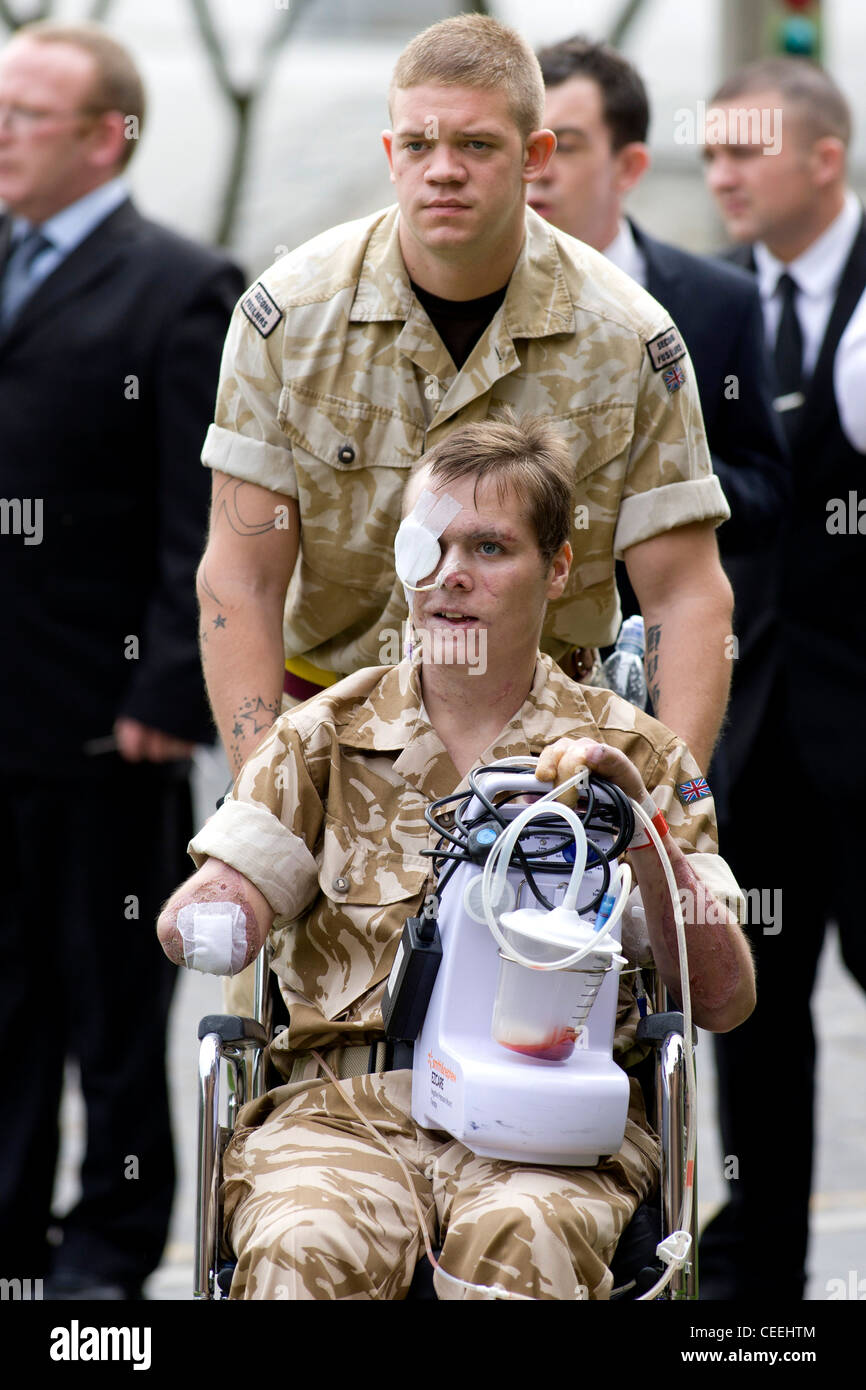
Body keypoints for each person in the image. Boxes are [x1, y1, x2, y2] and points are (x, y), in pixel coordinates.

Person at [158, 414, 755, 1301]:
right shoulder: (323, 737)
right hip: (342, 1117)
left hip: (546, 1124)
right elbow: (221, 897)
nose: (451, 576)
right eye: (427, 546)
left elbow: (725, 998)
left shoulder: (635, 754)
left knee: (528, 1242)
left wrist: (638, 829)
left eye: (489, 546)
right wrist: (214, 911)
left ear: (557, 569)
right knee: (303, 1245)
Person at [198, 12, 735, 792]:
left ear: (535, 157)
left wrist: (663, 808)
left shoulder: (627, 337)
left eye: (476, 145)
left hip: (553, 768)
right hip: (332, 750)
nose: (442, 169)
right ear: (391, 155)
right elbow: (240, 577)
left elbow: (685, 593)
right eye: (418, 145)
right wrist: (263, 794)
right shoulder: (287, 319)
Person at [0, 21, 244, 1298]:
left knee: (108, 1015)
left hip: (105, 724)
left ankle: (104, 1262)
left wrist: (169, 690)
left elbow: (198, 517)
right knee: (5, 1011)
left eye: (26, 113)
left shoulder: (181, 285)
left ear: (106, 135)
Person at [699, 57, 866, 1301]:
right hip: (751, 733)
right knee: (748, 1027)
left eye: (743, 152)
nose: (721, 177)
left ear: (824, 157)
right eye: (708, 157)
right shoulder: (707, 311)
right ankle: (759, 1297)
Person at [532, 36, 788, 709]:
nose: (540, 167)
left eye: (568, 144)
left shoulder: (719, 299)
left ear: (631, 165)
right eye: (529, 143)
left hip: (660, 686)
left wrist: (647, 480)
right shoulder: (463, 300)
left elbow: (767, 493)